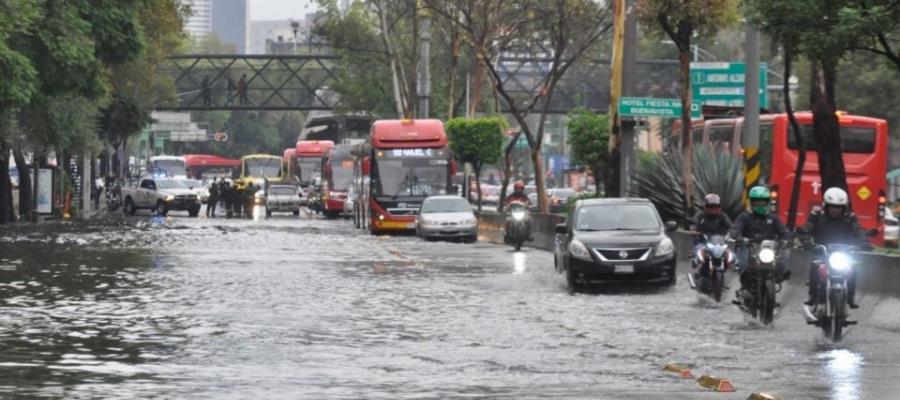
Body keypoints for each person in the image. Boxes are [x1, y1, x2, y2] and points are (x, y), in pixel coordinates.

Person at [802, 187, 870, 308]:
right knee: (814, 266)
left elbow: (858, 230)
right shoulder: (816, 215)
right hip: (822, 251)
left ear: (844, 207)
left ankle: (850, 296)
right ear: (826, 206)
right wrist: (806, 240)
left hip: (844, 253)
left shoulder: (850, 218)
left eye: (838, 207)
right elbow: (807, 229)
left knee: (853, 268)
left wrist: (864, 242)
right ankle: (813, 295)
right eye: (832, 206)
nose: (835, 210)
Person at [729, 186, 792, 291]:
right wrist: (738, 236)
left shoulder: (773, 218)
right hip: (750, 248)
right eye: (757, 202)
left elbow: (784, 231)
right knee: (743, 249)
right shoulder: (744, 217)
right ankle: (744, 272)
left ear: (767, 202)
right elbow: (736, 228)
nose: (760, 204)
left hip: (767, 249)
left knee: (784, 249)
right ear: (752, 202)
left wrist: (785, 239)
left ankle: (783, 272)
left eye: (762, 202)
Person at [691, 193, 733, 276]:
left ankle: (734, 267)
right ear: (706, 207)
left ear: (719, 207)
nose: (713, 209)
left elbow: (732, 227)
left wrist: (732, 232)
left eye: (715, 206)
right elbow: (693, 225)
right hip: (703, 243)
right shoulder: (700, 216)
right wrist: (693, 230)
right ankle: (698, 266)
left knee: (731, 254)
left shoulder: (723, 216)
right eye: (710, 207)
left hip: (720, 244)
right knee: (698, 252)